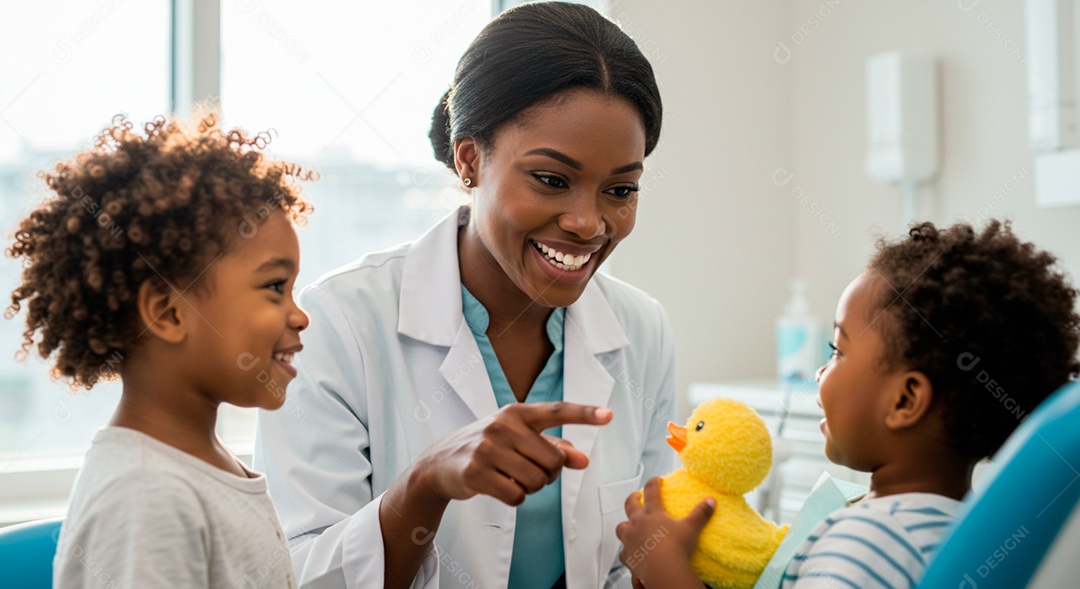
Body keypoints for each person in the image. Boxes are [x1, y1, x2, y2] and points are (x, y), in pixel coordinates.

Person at [253, 2, 673, 588]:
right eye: (552, 180)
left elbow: (631, 562)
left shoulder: (641, 330)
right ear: (470, 159)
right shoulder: (338, 325)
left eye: (619, 189)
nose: (587, 222)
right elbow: (295, 575)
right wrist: (424, 486)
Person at [616, 220, 1080, 589]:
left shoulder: (872, 540)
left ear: (904, 400)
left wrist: (667, 571)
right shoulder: (941, 527)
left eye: (837, 351)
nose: (820, 372)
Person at [6, 113, 313, 588]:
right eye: (275, 286)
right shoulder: (145, 496)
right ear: (168, 312)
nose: (299, 315)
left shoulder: (206, 466)